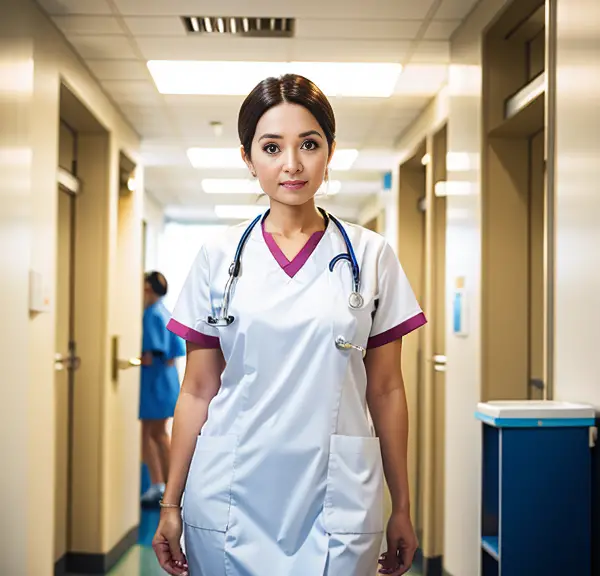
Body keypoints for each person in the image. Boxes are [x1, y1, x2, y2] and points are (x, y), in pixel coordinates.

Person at [152, 74, 427, 576]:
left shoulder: (370, 255)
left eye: (309, 144)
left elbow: (386, 389)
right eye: (272, 147)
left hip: (336, 493)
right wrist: (171, 504)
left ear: (330, 151)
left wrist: (402, 505)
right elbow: (196, 390)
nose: (292, 164)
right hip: (230, 490)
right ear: (247, 157)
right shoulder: (217, 258)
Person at [140, 271, 186, 506]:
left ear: (147, 288)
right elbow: (176, 350)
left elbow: (149, 355)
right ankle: (172, 486)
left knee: (148, 434)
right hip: (166, 381)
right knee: (160, 434)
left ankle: (158, 484)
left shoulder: (150, 314)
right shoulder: (166, 312)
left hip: (153, 382)